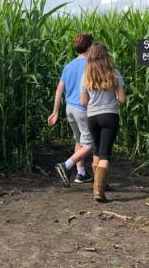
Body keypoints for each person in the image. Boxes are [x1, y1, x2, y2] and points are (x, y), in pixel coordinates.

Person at [80, 43, 125, 203]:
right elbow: (122, 100)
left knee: (97, 151)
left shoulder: (86, 76)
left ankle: (101, 184)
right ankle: (98, 191)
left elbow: (83, 101)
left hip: (92, 117)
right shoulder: (115, 74)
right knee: (105, 153)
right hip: (109, 116)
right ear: (106, 56)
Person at [48, 33, 95, 187]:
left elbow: (59, 89)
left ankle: (81, 173)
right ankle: (66, 165)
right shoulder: (91, 64)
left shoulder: (69, 65)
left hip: (70, 108)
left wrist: (55, 111)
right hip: (83, 108)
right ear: (89, 47)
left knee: (79, 140)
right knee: (90, 143)